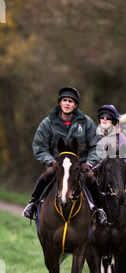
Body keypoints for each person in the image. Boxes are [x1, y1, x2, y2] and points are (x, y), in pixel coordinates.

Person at [22, 86, 107, 224]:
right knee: (48, 173)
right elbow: (39, 147)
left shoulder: (86, 122)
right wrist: (51, 161)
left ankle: (99, 210)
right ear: (60, 103)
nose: (67, 103)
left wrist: (89, 163)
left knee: (90, 178)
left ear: (75, 105)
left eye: (71, 101)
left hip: (79, 166)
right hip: (57, 165)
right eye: (64, 100)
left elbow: (96, 146)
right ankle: (32, 203)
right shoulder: (47, 123)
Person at [96, 105, 126, 219]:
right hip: (96, 169)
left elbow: (125, 155)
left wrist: (119, 163)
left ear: (113, 121)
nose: (105, 119)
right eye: (103, 117)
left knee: (122, 180)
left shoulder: (120, 136)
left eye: (108, 117)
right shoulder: (93, 134)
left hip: (114, 167)